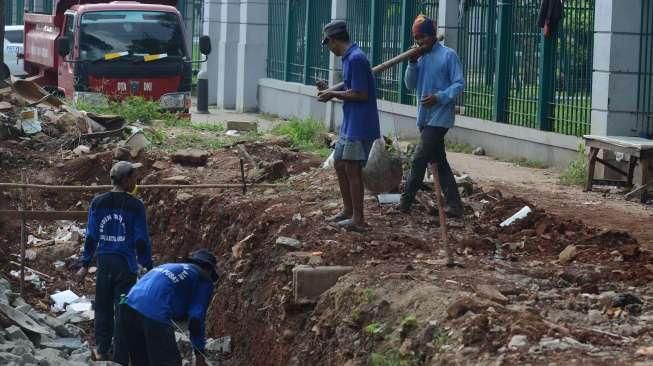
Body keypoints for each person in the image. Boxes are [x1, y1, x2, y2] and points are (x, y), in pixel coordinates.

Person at [77, 160, 153, 361]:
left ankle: (102, 350)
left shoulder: (98, 202)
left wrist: (85, 264)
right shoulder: (136, 205)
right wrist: (148, 264)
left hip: (105, 264)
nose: (136, 180)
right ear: (126, 179)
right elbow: (141, 239)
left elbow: (91, 235)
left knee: (102, 306)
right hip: (125, 267)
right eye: (134, 177)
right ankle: (120, 357)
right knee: (122, 308)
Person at [316, 20, 381, 231]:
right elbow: (350, 85)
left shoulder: (356, 59)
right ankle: (348, 210)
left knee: (352, 168)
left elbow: (361, 94)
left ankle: (358, 219)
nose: (328, 49)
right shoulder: (348, 58)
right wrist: (329, 89)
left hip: (361, 124)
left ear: (333, 40)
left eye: (328, 44)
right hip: (350, 122)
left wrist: (332, 94)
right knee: (340, 164)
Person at [400, 15, 466, 217]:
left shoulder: (448, 55)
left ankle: (405, 202)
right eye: (416, 38)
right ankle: (454, 205)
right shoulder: (419, 58)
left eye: (423, 37)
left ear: (432, 36)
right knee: (439, 161)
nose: (420, 42)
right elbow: (409, 85)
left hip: (440, 116)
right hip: (424, 117)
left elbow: (459, 84)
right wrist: (411, 63)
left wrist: (439, 97)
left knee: (419, 158)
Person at [113, 249, 219, 366]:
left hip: (127, 307)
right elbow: (196, 317)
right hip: (154, 313)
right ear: (208, 269)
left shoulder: (168, 266)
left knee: (141, 361)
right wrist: (199, 355)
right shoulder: (203, 278)